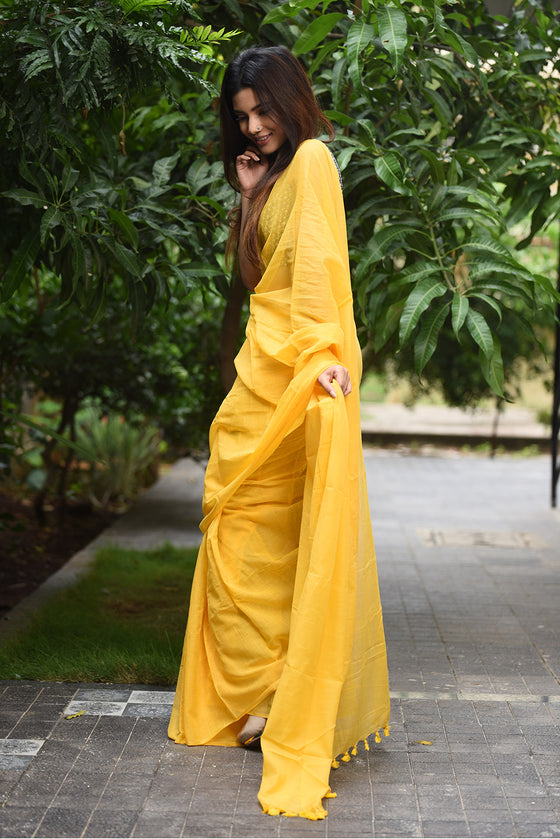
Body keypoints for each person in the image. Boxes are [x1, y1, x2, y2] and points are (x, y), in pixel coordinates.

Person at [168, 45, 390, 821]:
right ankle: (265, 693)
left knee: (281, 540)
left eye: (263, 111)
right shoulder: (270, 177)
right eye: (243, 118)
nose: (255, 127)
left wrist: (325, 360)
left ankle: (279, 700)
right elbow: (261, 279)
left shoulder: (317, 160)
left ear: (292, 100)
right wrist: (250, 197)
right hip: (260, 376)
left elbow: (320, 276)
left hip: (298, 377)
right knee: (242, 538)